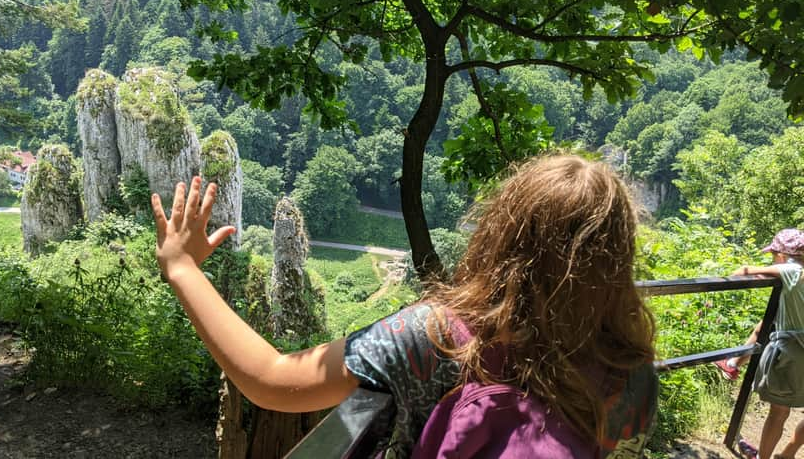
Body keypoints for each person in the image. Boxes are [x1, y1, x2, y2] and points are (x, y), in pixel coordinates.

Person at [150, 154, 659, 458]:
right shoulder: (632, 368)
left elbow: (272, 379)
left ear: (501, 233)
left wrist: (182, 267)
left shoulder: (437, 336)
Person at [713, 229, 804, 459]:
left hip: (795, 353)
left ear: (782, 255)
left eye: (773, 255)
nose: (772, 259)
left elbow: (744, 271)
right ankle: (788, 453)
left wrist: (726, 282)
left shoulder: (791, 270)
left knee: (779, 412)